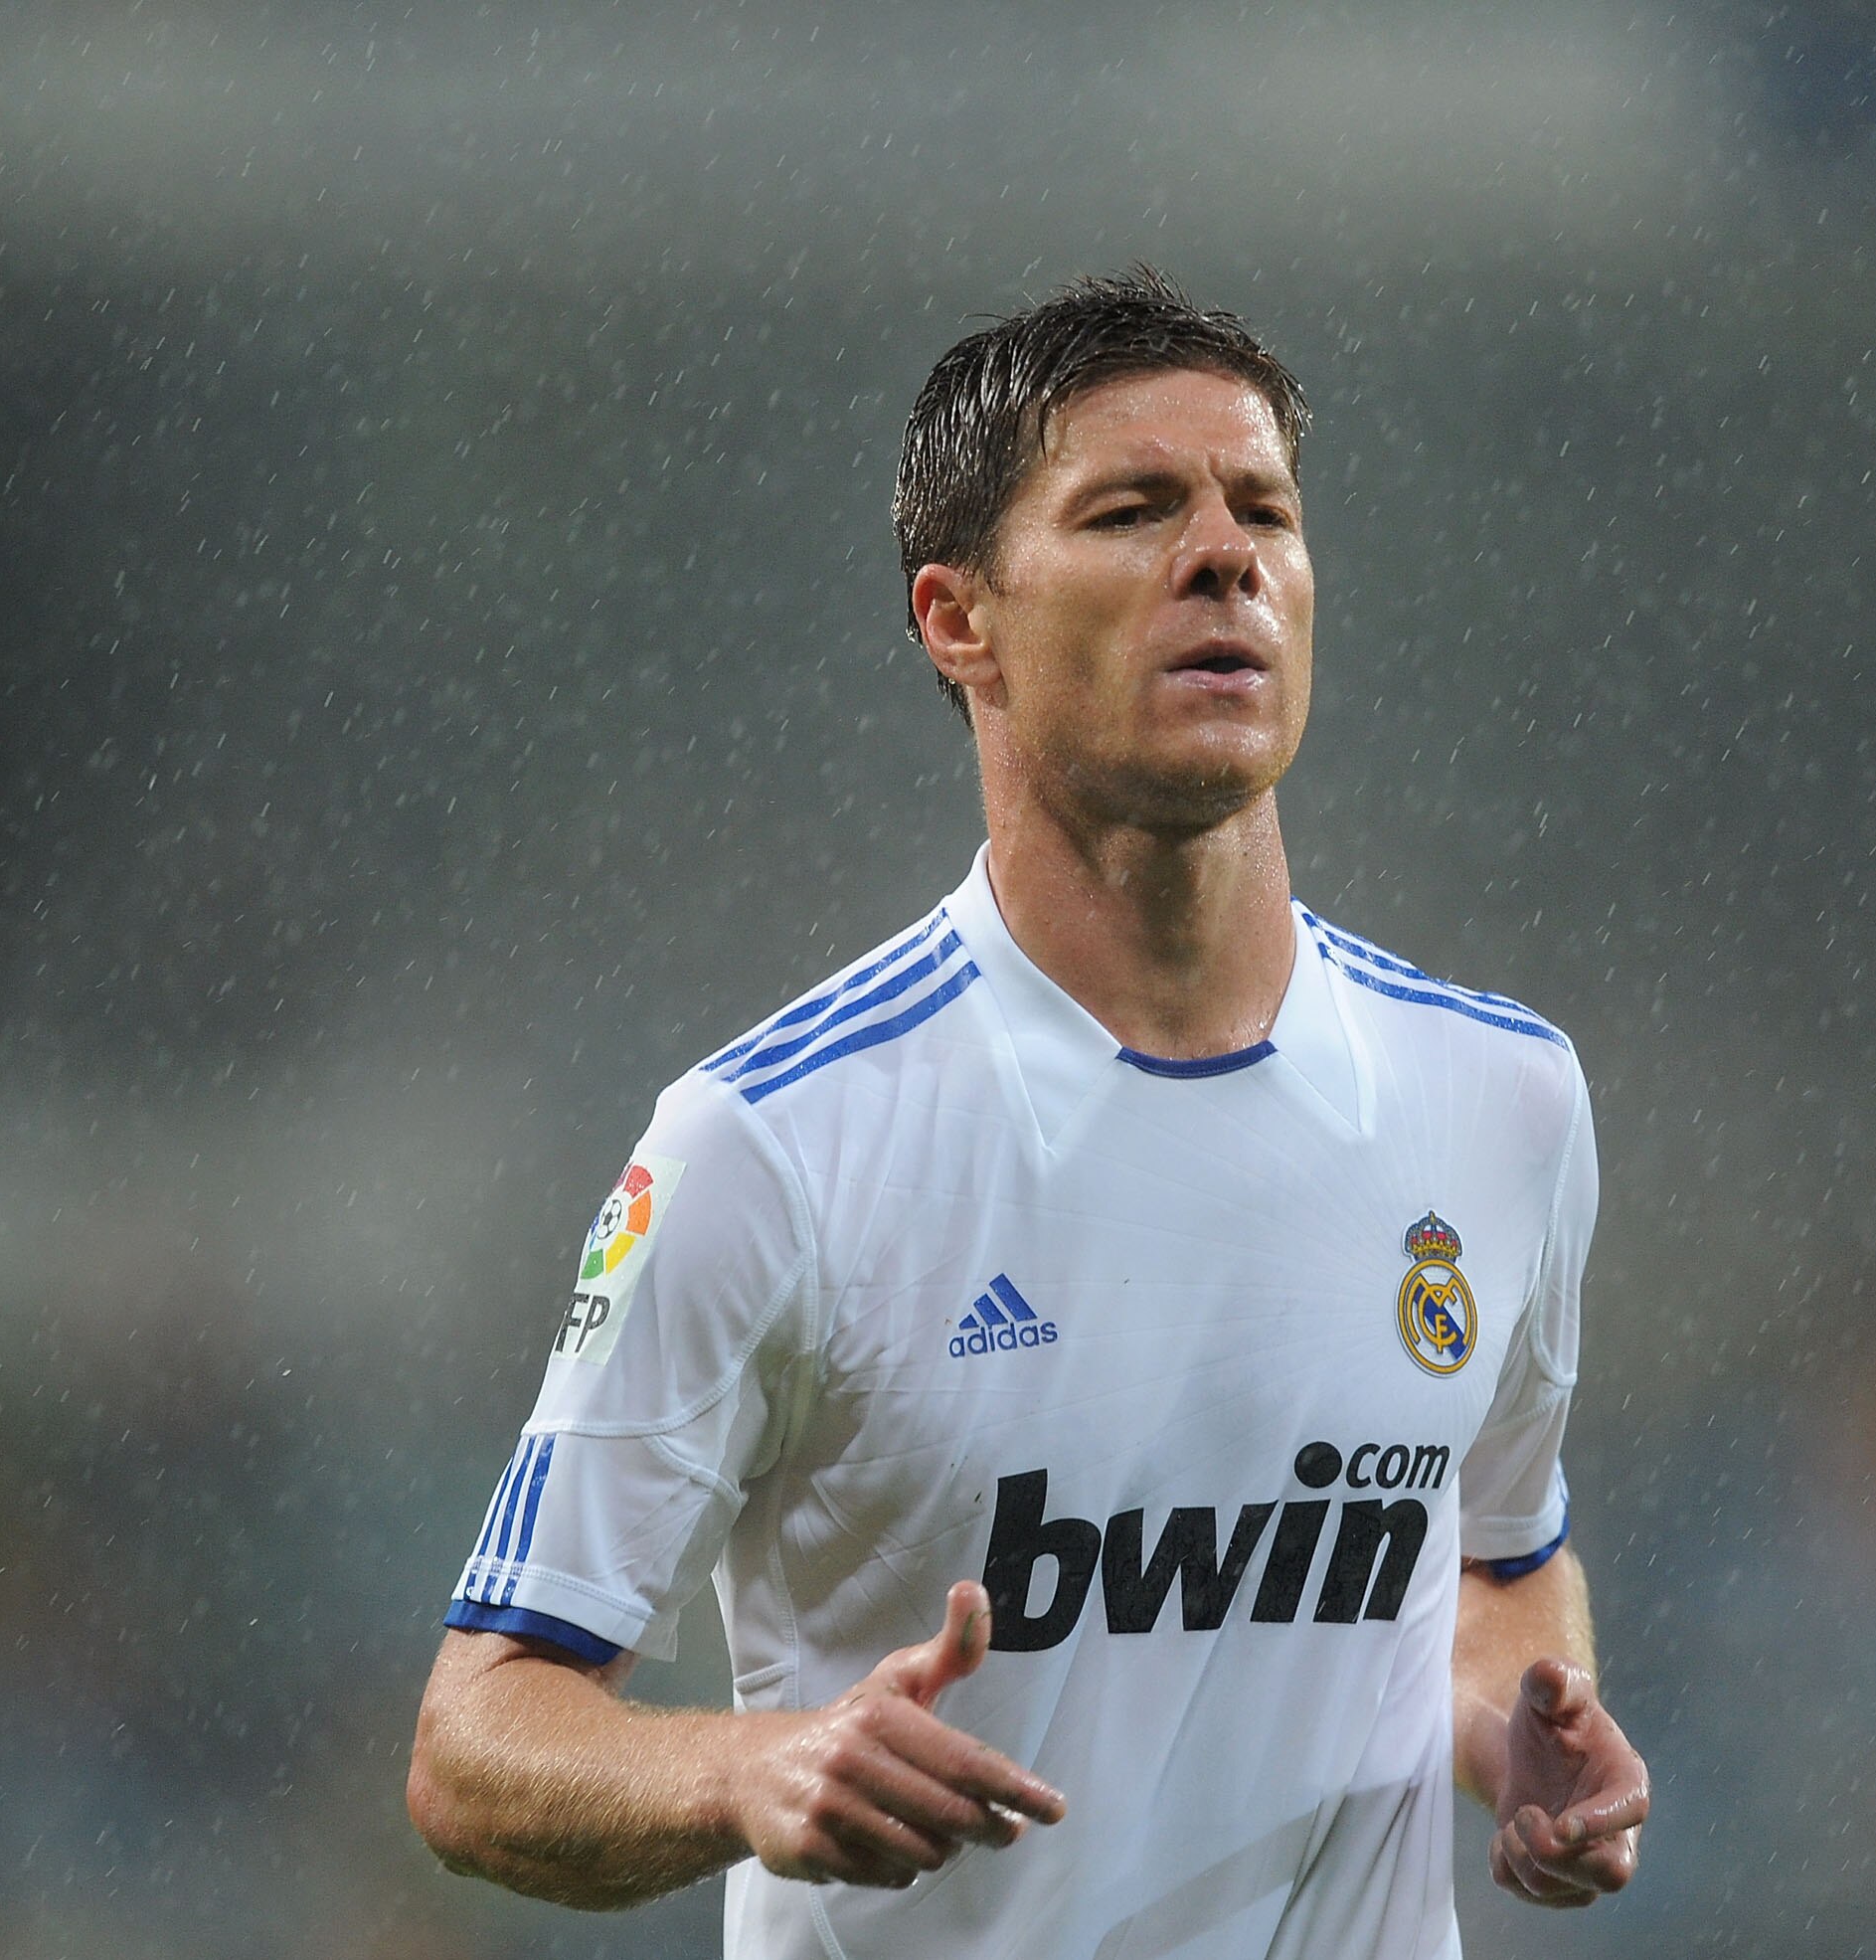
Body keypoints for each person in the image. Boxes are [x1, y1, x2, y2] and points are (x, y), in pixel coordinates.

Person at [405, 267, 1648, 1958]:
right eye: (1133, 511)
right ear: (958, 620)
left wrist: (1507, 1731)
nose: (1224, 555)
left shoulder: (1504, 1099)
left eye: (1264, 510)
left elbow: (1500, 1556)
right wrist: (751, 1769)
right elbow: (476, 1745)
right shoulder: (769, 1147)